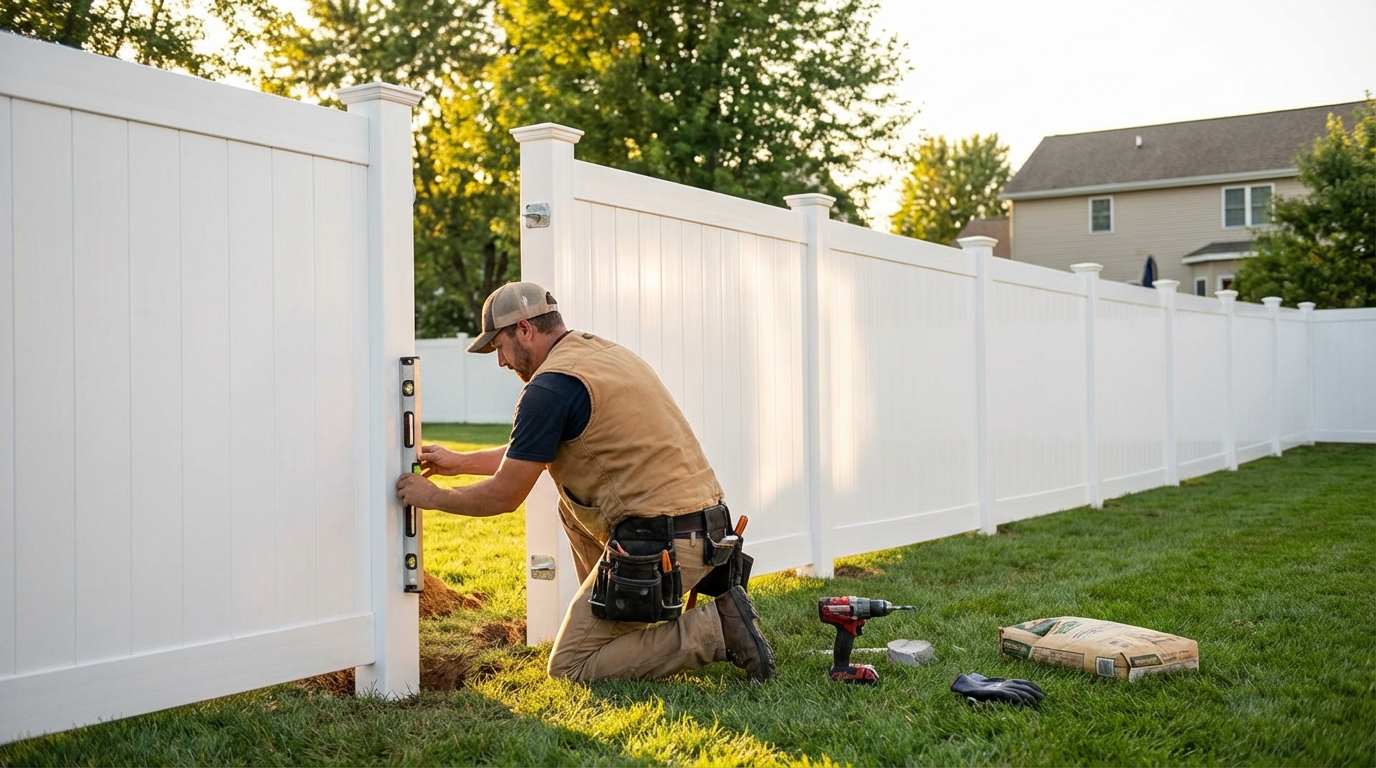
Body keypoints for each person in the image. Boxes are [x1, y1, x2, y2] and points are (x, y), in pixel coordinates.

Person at [396, 281, 775, 683]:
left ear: (524, 329)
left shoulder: (549, 387)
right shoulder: (604, 355)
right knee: (569, 506)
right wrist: (458, 462)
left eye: (499, 346)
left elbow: (505, 496)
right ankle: (624, 619)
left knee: (569, 667)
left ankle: (717, 628)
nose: (501, 362)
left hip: (663, 542)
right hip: (708, 531)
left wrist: (433, 497)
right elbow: (529, 456)